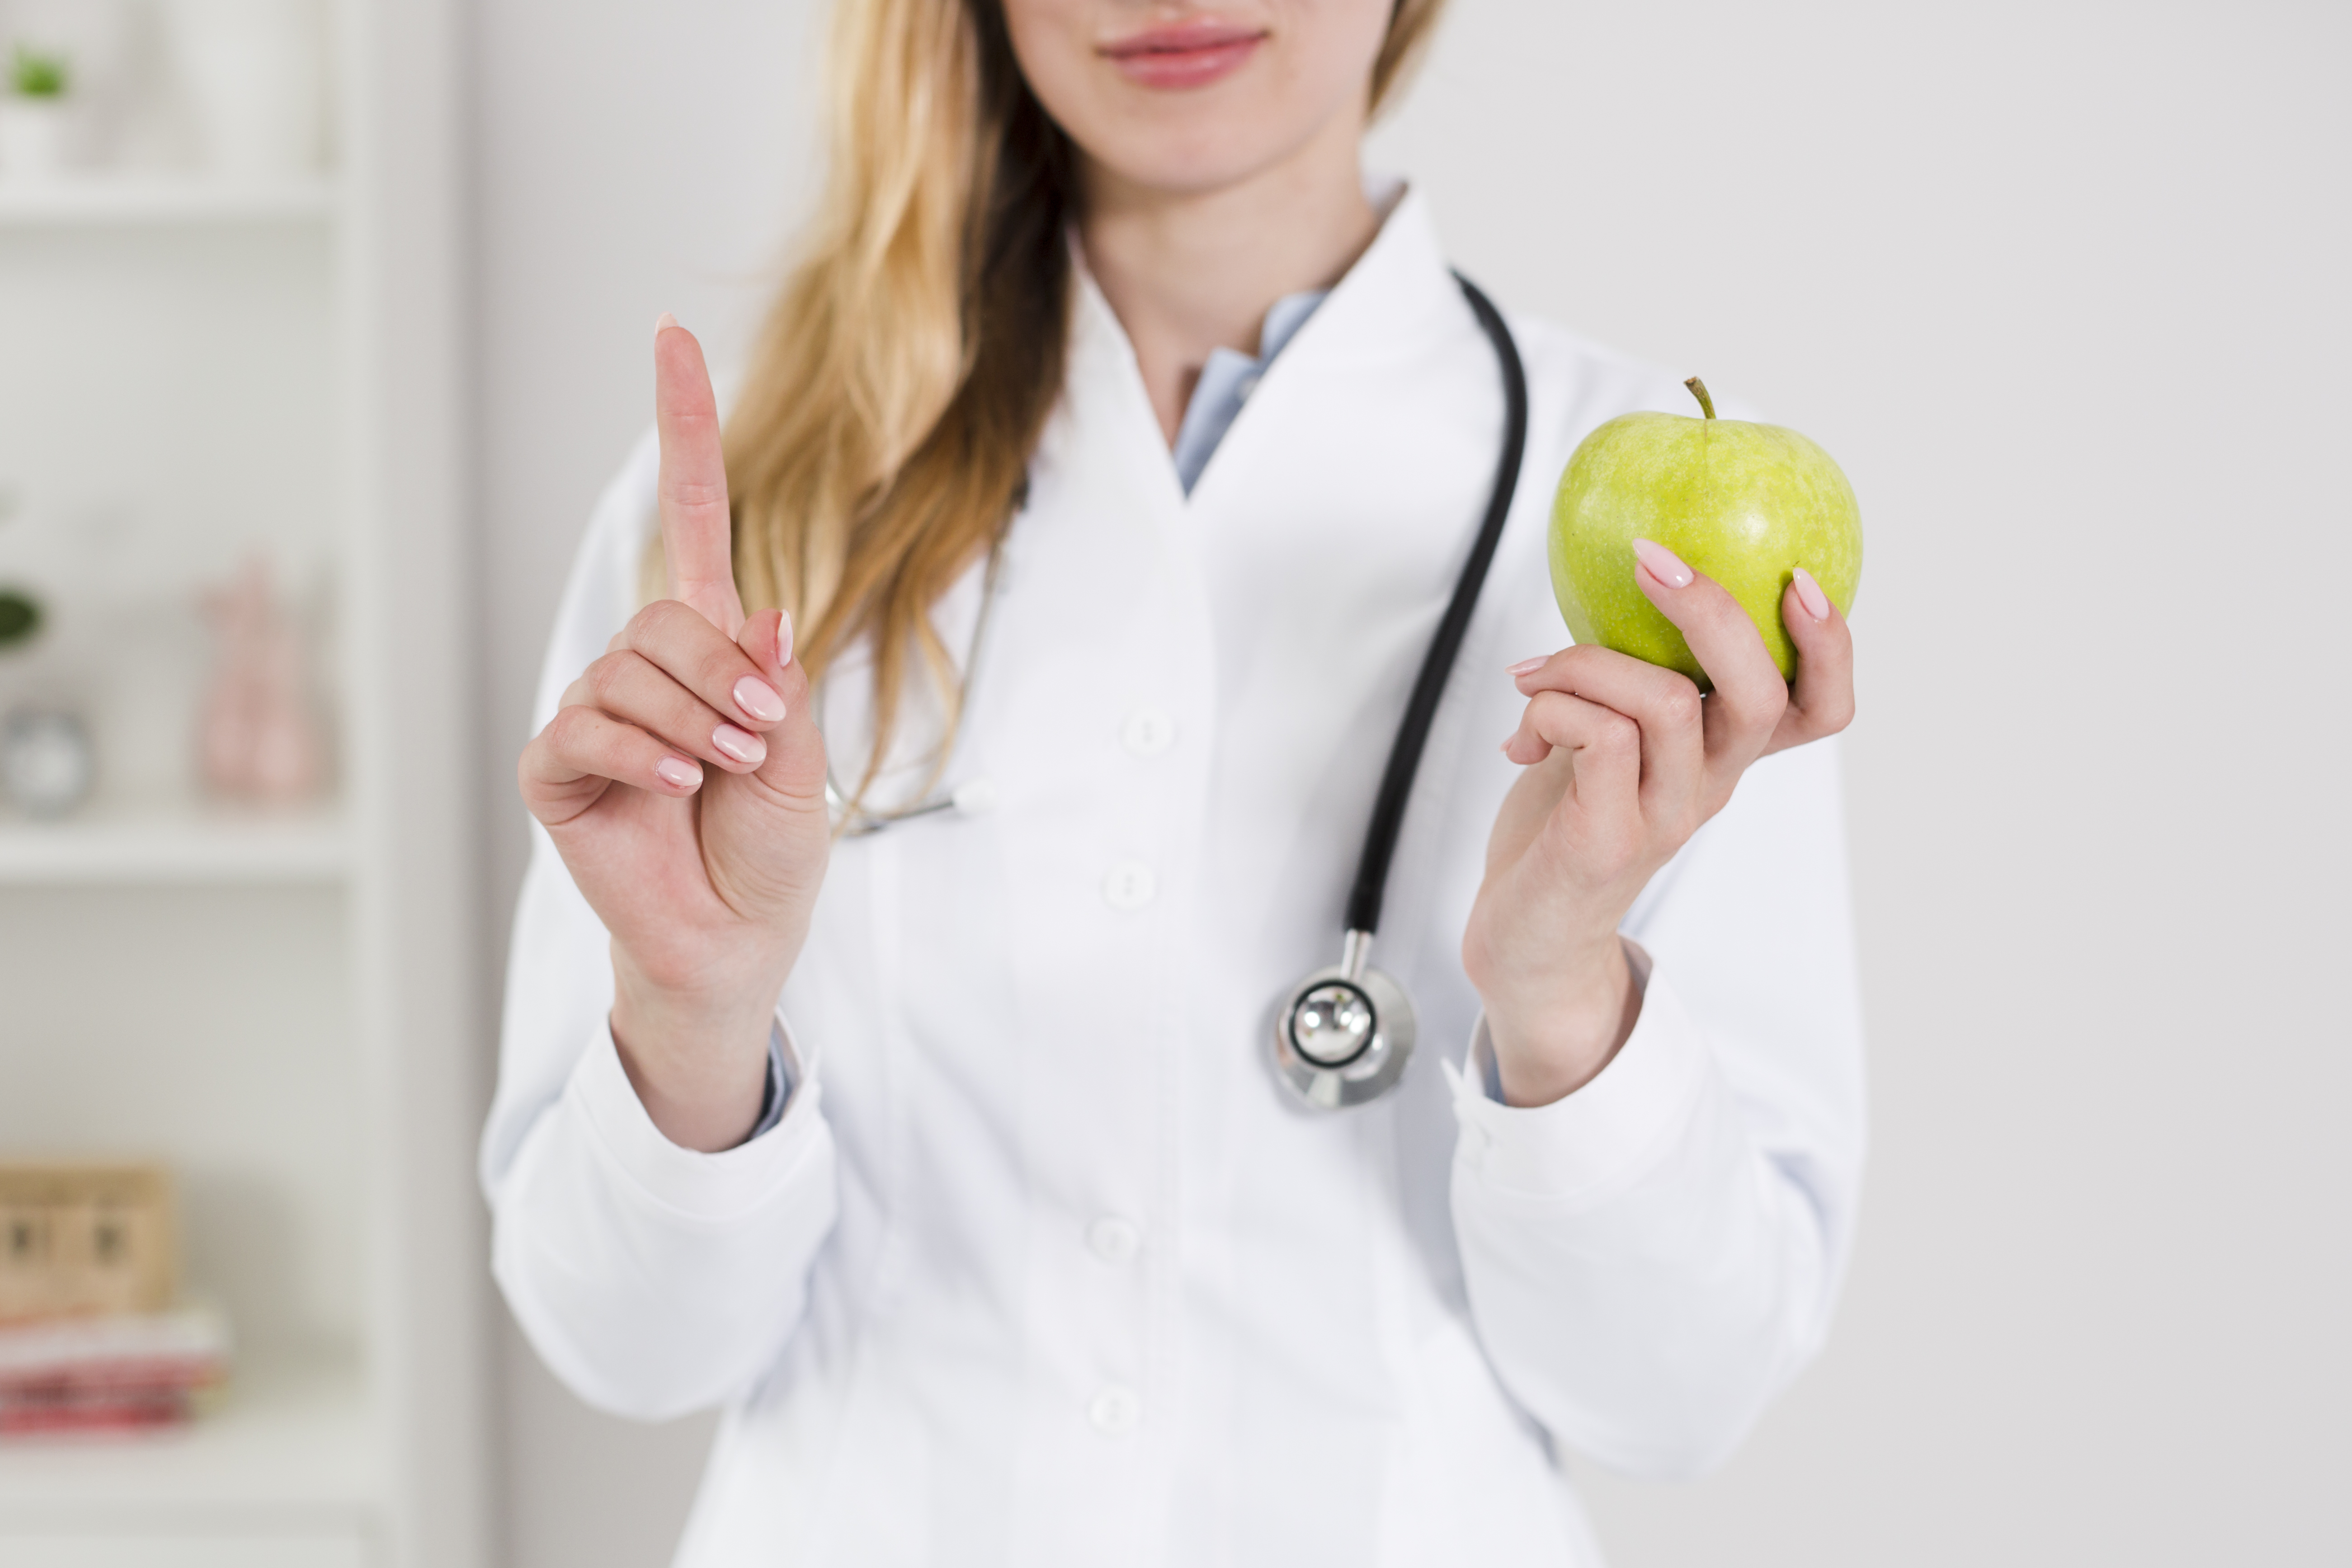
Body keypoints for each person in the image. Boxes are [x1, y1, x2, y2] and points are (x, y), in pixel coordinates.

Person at [483, 0, 1865, 1561]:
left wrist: (1560, 1003)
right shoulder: (749, 510)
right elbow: (628, 1349)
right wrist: (691, 1018)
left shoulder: (1658, 551)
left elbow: (1679, 1399)